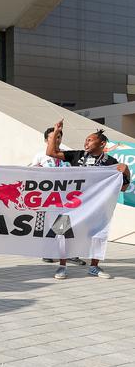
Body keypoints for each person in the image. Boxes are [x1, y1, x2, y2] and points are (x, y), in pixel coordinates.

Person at [46, 120, 131, 280]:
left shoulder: (110, 163)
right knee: (62, 233)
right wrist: (56, 131)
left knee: (97, 235)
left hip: (96, 207)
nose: (86, 143)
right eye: (85, 140)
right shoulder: (77, 155)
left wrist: (126, 172)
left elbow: (123, 188)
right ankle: (62, 266)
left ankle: (94, 266)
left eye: (90, 140)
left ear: (102, 143)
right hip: (70, 204)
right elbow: (51, 153)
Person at [30, 126, 85, 266]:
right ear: (46, 140)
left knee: (66, 224)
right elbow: (30, 173)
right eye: (53, 136)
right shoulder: (40, 155)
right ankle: (48, 252)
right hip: (48, 197)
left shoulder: (67, 155)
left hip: (66, 197)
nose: (57, 139)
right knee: (49, 225)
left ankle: (69, 253)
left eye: (59, 136)